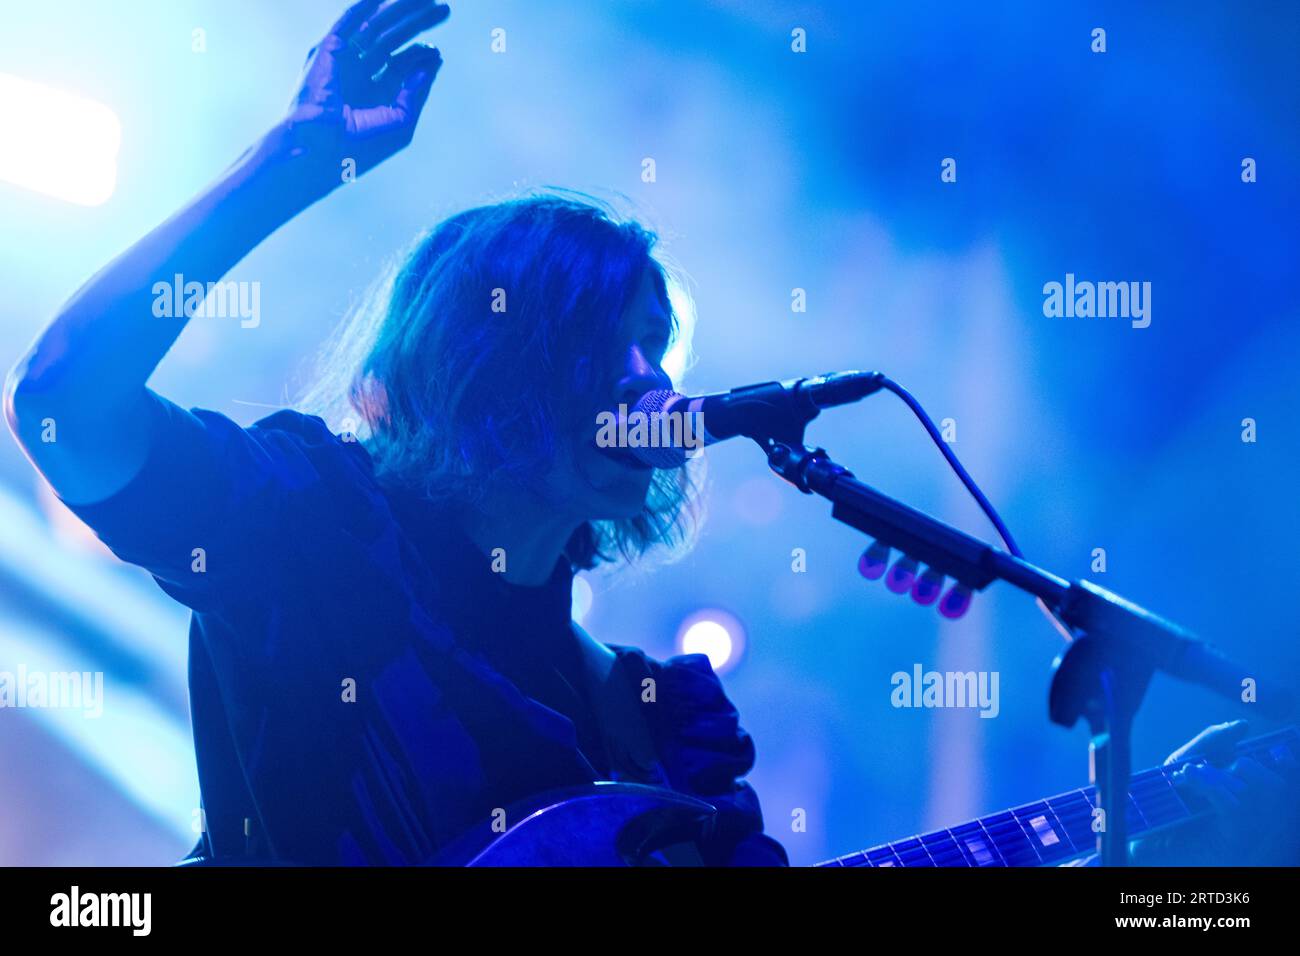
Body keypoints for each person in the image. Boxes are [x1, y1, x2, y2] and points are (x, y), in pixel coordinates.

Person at [3, 0, 1291, 867]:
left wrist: (1137, 832)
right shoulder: (314, 528)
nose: (652, 375)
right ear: (480, 355)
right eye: (603, 337)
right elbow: (62, 404)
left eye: (657, 343)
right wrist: (291, 162)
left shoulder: (656, 719)